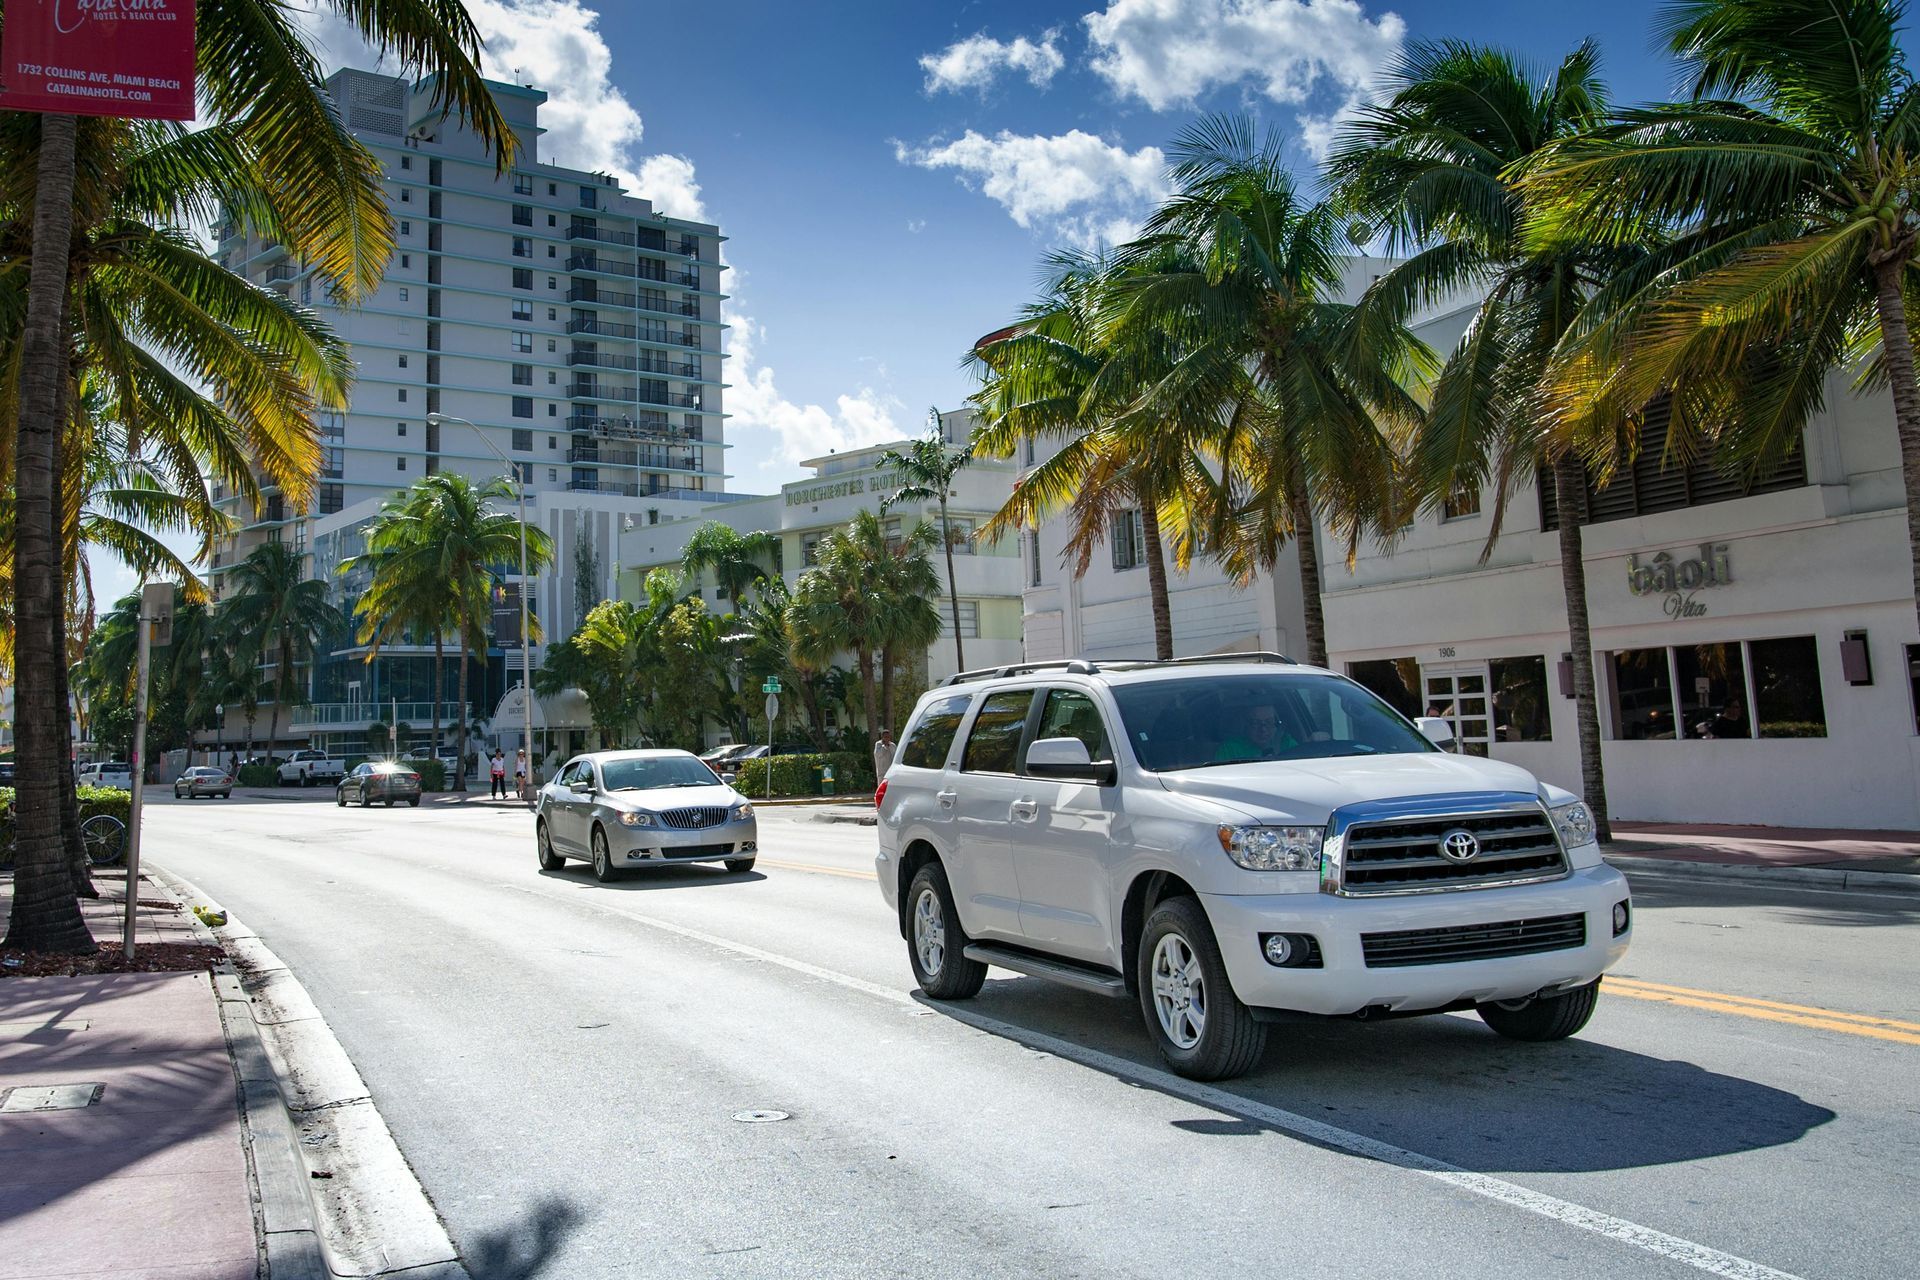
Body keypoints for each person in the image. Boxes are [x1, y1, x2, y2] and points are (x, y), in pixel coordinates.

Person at [1213, 701, 1296, 763]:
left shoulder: (1286, 742)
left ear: (1276, 724)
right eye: (1255, 723)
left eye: (1269, 722)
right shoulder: (1230, 748)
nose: (1263, 729)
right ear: (1245, 725)